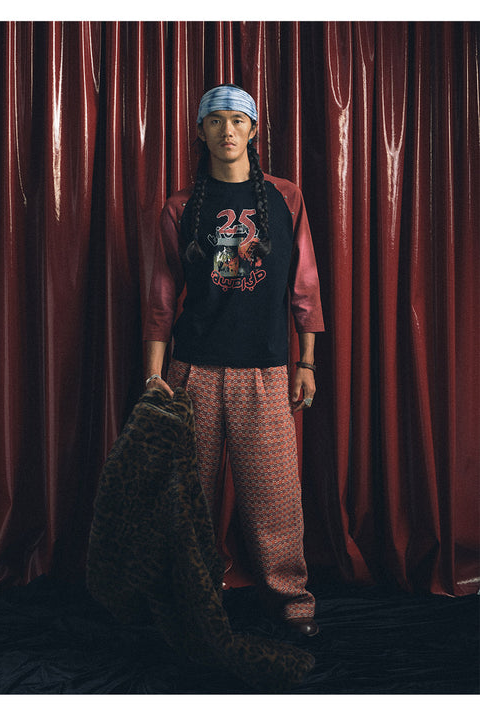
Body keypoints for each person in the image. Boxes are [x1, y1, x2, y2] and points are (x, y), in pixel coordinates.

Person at [142, 84, 324, 636]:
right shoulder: (180, 206)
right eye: (216, 120)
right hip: (193, 370)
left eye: (237, 120)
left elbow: (304, 284)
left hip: (265, 370)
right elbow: (162, 297)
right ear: (201, 131)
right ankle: (190, 596)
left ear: (253, 130)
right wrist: (154, 376)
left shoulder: (285, 197)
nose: (227, 130)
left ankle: (290, 599)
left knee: (275, 495)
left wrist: (307, 361)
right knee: (187, 494)